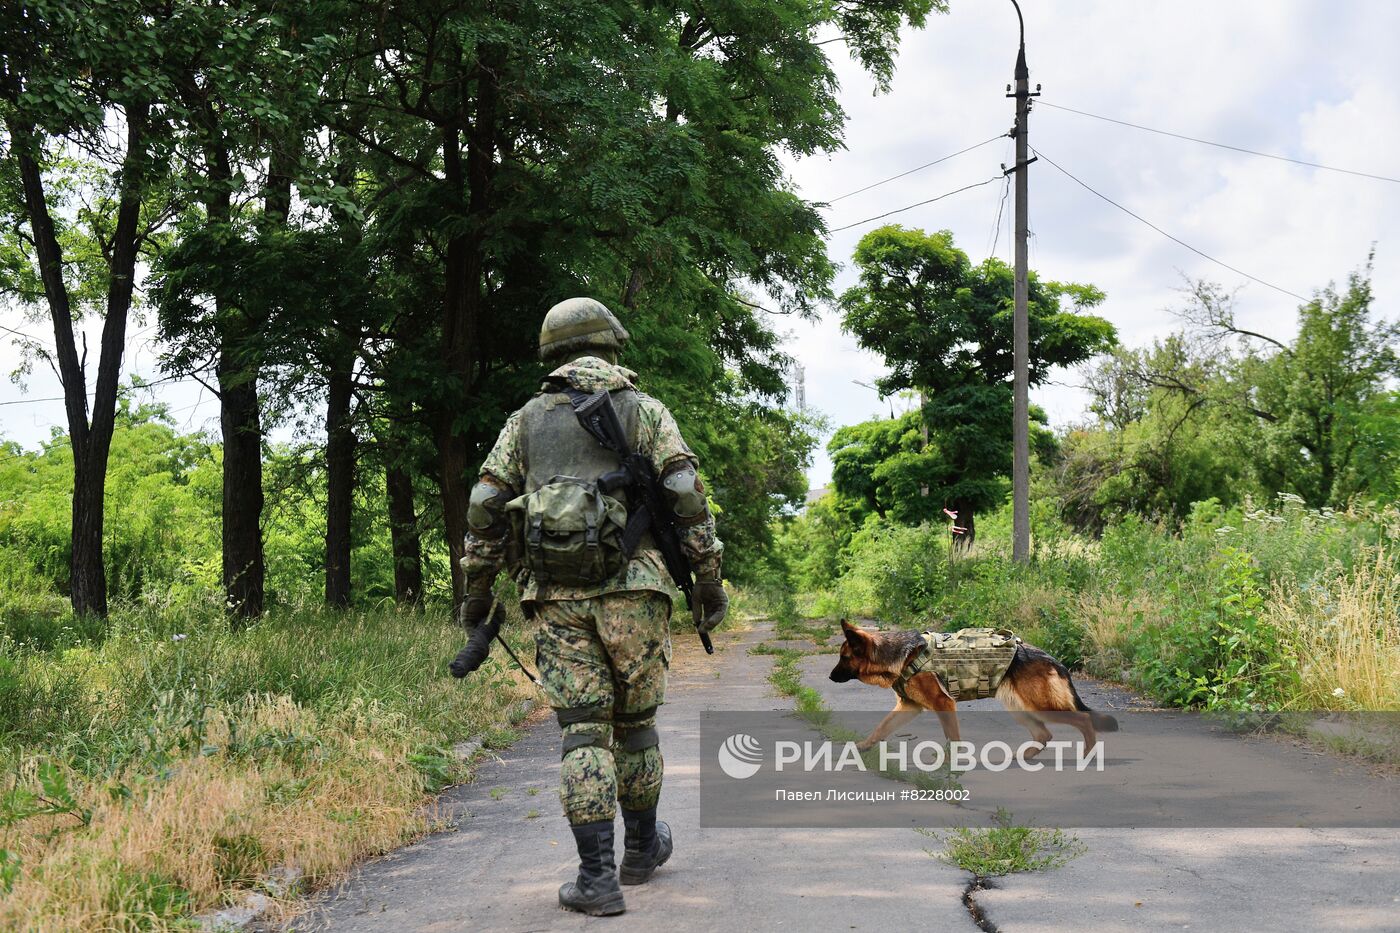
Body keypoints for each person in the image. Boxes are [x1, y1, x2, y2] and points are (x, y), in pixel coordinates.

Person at [461, 296, 728, 916]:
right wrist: (708, 577)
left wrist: (478, 588)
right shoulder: (645, 411)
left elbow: (483, 504)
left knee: (583, 732)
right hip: (638, 587)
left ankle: (596, 879)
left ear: (551, 352)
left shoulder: (525, 421)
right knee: (636, 728)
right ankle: (641, 850)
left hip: (555, 596)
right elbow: (685, 492)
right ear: (610, 346)